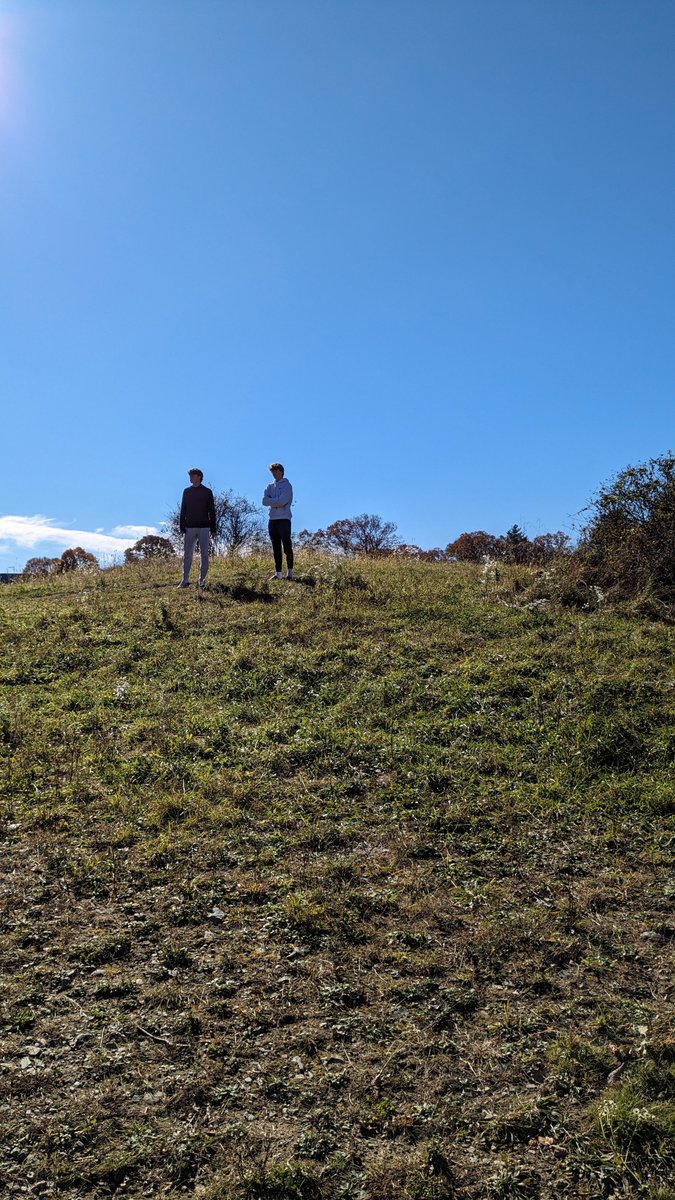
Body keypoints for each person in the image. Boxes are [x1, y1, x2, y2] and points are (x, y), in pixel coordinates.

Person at [178, 468, 216, 587]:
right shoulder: (186, 491)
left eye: (192, 475)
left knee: (204, 555)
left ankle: (202, 581)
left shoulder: (207, 492)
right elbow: (183, 509)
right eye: (190, 475)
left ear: (199, 476)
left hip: (204, 527)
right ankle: (185, 580)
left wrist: (213, 528)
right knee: (187, 554)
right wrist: (182, 526)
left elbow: (212, 510)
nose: (190, 478)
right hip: (189, 527)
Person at [263, 462, 294, 579]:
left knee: (287, 545)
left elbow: (283, 501)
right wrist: (276, 501)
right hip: (272, 519)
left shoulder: (287, 485)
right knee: (275, 547)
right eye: (272, 471)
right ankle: (278, 573)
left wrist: (273, 500)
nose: (274, 473)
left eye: (276, 471)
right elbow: (264, 501)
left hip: (284, 519)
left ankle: (290, 572)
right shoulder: (270, 486)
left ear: (281, 471)